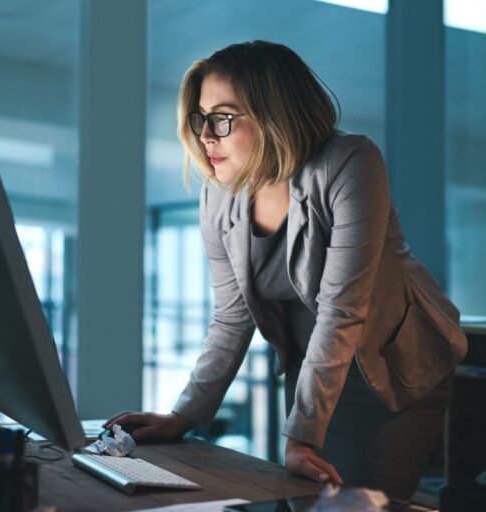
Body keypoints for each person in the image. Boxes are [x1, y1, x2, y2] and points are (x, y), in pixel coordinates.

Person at [105, 40, 467, 502]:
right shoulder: (219, 194)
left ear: (274, 114)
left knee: (364, 507)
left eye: (223, 117)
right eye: (201, 117)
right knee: (310, 502)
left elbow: (341, 311)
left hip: (397, 365)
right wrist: (183, 416)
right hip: (312, 366)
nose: (206, 135)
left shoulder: (350, 162)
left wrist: (301, 439)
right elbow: (231, 318)